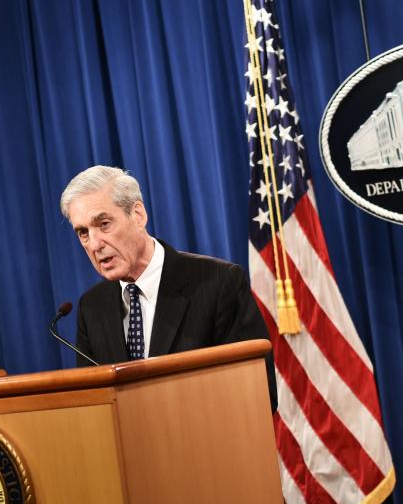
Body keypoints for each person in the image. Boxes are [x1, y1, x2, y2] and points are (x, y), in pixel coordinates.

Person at [60, 165, 276, 410]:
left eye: (104, 224)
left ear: (138, 215)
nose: (95, 243)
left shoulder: (218, 282)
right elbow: (92, 405)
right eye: (83, 233)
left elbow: (259, 393)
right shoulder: (92, 307)